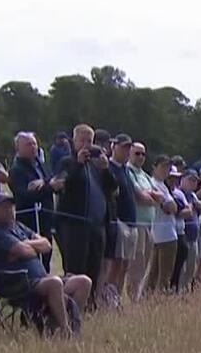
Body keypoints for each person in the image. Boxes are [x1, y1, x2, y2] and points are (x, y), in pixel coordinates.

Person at [0, 194, 90, 336]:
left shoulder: (19, 227)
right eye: (4, 207)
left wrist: (27, 245)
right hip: (18, 283)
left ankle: (60, 324)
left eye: (11, 206)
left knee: (83, 282)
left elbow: (46, 244)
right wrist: (30, 247)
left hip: (41, 280)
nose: (10, 210)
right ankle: (66, 332)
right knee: (54, 283)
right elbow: (23, 250)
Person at [54, 124, 115, 307]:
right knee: (75, 269)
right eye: (82, 140)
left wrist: (105, 169)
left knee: (94, 268)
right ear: (74, 141)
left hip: (97, 226)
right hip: (75, 226)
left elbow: (112, 188)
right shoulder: (67, 162)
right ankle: (71, 307)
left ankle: (90, 304)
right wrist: (78, 164)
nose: (86, 144)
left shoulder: (96, 165)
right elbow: (65, 183)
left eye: (89, 141)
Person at [7, 131, 55, 272]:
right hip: (30, 221)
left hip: (46, 218)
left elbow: (53, 178)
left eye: (34, 143)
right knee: (33, 260)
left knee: (47, 256)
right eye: (28, 144)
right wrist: (49, 187)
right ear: (18, 148)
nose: (33, 147)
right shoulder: (16, 170)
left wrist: (45, 183)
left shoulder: (39, 163)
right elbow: (24, 195)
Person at [103, 134, 139, 305]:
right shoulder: (109, 168)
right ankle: (108, 297)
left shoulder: (126, 170)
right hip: (119, 221)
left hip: (132, 222)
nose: (126, 151)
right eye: (123, 147)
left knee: (125, 264)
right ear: (113, 146)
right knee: (116, 263)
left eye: (128, 148)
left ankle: (116, 296)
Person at [123, 142, 159, 299]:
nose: (140, 157)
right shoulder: (128, 171)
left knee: (145, 263)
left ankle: (138, 294)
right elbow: (139, 196)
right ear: (130, 153)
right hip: (137, 224)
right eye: (137, 153)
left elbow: (158, 196)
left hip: (150, 224)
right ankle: (133, 297)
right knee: (136, 263)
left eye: (143, 154)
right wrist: (150, 196)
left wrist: (150, 196)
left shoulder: (144, 175)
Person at [145, 156, 180, 294]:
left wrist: (169, 205)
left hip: (168, 232)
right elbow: (170, 207)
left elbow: (174, 207)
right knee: (160, 273)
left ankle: (152, 299)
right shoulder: (153, 183)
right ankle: (157, 299)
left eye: (168, 168)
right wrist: (169, 205)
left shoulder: (163, 185)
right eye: (163, 167)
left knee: (159, 272)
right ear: (154, 167)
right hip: (162, 234)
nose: (166, 171)